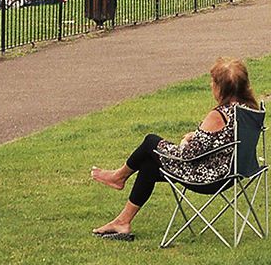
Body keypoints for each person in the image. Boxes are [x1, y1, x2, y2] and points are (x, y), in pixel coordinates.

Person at [89, 57, 258, 240]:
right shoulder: (248, 110)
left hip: (207, 178)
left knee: (150, 141)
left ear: (220, 88)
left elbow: (187, 155)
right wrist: (197, 136)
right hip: (234, 172)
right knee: (148, 166)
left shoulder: (218, 114)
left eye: (213, 82)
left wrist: (186, 140)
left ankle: (118, 176)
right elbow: (225, 140)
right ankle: (122, 222)